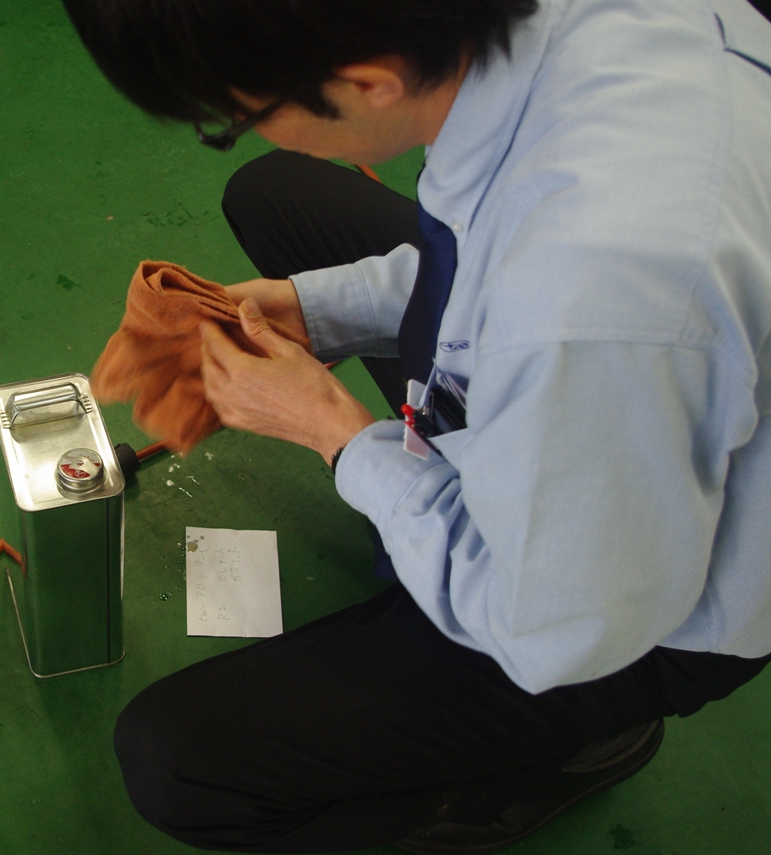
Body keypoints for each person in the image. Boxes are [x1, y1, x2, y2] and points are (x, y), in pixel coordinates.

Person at [61, 0, 771, 852]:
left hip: (628, 617)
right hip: (620, 384)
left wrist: (336, 434)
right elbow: (493, 245)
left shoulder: (597, 300)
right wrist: (313, 309)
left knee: (176, 764)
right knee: (275, 194)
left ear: (369, 81)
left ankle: (543, 760)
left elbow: (550, 624)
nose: (246, 132)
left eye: (238, 118)